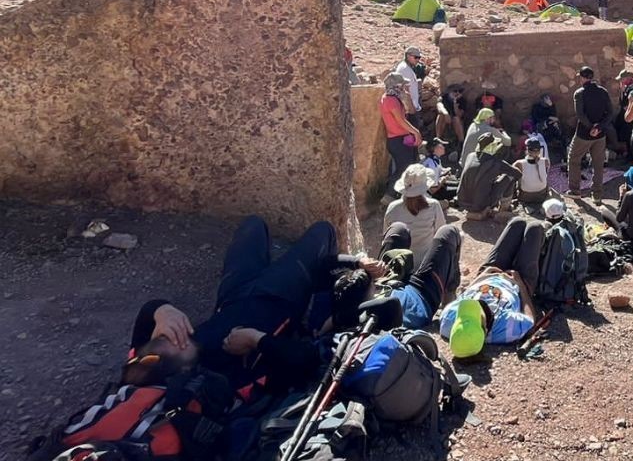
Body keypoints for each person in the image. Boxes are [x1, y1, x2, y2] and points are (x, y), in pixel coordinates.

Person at [120, 216, 387, 390]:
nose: (178, 334)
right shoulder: (213, 382)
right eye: (176, 341)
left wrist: (161, 310)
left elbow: (146, 321)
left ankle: (293, 263)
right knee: (323, 231)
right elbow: (303, 361)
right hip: (282, 296)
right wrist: (257, 339)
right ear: (186, 371)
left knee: (253, 225)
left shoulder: (141, 372)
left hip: (234, 294)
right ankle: (320, 287)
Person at [440, 217, 544, 357]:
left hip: (487, 275)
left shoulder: (448, 321)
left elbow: (466, 293)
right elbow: (530, 320)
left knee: (517, 223)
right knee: (535, 228)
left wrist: (481, 276)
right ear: (485, 327)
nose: (475, 305)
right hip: (518, 285)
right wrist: (521, 285)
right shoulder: (505, 329)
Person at [333, 225, 462, 330]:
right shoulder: (379, 315)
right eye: (370, 284)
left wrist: (359, 263)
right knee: (449, 232)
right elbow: (392, 305)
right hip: (422, 295)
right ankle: (449, 301)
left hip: (390, 282)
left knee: (399, 230)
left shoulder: (345, 304)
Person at [383, 164, 448, 263]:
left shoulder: (393, 208)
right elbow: (441, 233)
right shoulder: (434, 205)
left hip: (401, 265)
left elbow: (386, 236)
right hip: (425, 263)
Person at [568, 65, 612, 201]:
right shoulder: (603, 92)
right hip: (600, 134)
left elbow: (580, 114)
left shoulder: (579, 93)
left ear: (582, 78)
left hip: (584, 134)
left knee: (574, 159)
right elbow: (610, 112)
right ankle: (597, 194)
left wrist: (591, 127)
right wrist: (599, 127)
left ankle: (575, 191)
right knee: (598, 163)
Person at [458, 135, 522, 220]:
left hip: (462, 201)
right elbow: (518, 174)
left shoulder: (470, 156)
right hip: (481, 204)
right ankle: (503, 209)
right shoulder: (496, 162)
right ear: (491, 146)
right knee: (510, 176)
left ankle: (473, 212)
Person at [381, 72, 423, 196]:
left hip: (401, 139)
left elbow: (411, 111)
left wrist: (407, 97)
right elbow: (400, 120)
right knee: (402, 169)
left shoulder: (395, 98)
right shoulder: (390, 100)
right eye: (402, 85)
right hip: (397, 140)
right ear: (396, 86)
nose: (404, 87)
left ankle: (403, 196)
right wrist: (416, 132)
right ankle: (389, 196)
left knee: (406, 167)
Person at [514, 137, 553, 206]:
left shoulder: (519, 163)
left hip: (525, 197)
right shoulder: (545, 161)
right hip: (541, 196)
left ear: (527, 149)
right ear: (539, 150)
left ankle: (514, 197)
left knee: (516, 176)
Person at [395, 46, 425, 130]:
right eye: (416, 57)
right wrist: (411, 109)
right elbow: (405, 91)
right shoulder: (404, 69)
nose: (418, 60)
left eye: (419, 58)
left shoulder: (407, 68)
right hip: (409, 109)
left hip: (411, 107)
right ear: (408, 56)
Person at [614, 69, 633, 161]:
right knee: (627, 136)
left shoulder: (632, 90)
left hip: (631, 116)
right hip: (628, 116)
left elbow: (626, 103)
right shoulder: (627, 89)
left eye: (622, 79)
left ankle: (631, 157)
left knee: (629, 136)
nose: (621, 81)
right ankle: (629, 155)